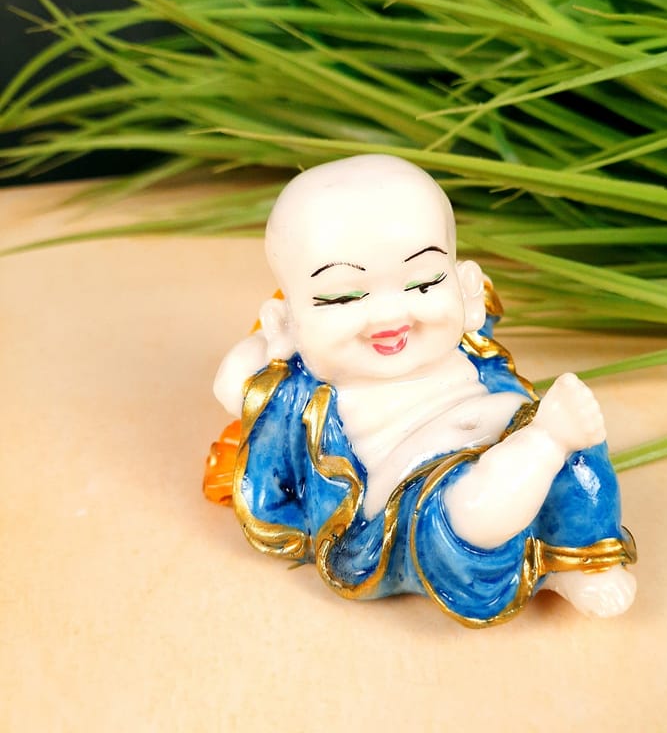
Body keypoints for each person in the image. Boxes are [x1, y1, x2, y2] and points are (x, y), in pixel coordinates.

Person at [211, 154, 636, 626]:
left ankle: (576, 558)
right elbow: (231, 386)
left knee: (581, 457)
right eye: (343, 296)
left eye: (423, 283)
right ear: (287, 320)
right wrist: (265, 347)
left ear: (462, 285)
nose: (390, 316)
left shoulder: (465, 339)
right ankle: (543, 447)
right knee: (464, 513)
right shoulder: (303, 386)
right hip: (412, 487)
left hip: (507, 424)